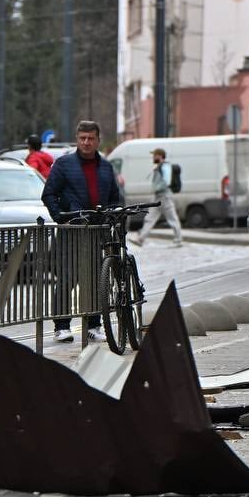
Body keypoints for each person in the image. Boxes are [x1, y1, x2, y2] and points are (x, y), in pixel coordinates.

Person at [41, 119, 122, 343]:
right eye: (82, 138)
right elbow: (49, 194)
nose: (86, 142)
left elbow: (115, 197)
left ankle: (94, 325)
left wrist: (112, 213)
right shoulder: (64, 164)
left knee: (96, 279)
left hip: (97, 232)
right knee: (67, 278)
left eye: (90, 138)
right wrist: (60, 217)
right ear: (77, 139)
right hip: (71, 231)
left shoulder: (105, 167)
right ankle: (61, 326)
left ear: (98, 140)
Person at [132, 148, 182, 247]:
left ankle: (178, 240)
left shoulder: (165, 166)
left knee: (172, 218)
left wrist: (157, 188)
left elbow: (167, 181)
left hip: (164, 196)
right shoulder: (159, 167)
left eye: (154, 155)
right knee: (149, 218)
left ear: (159, 155)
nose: (153, 157)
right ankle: (141, 239)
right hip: (157, 197)